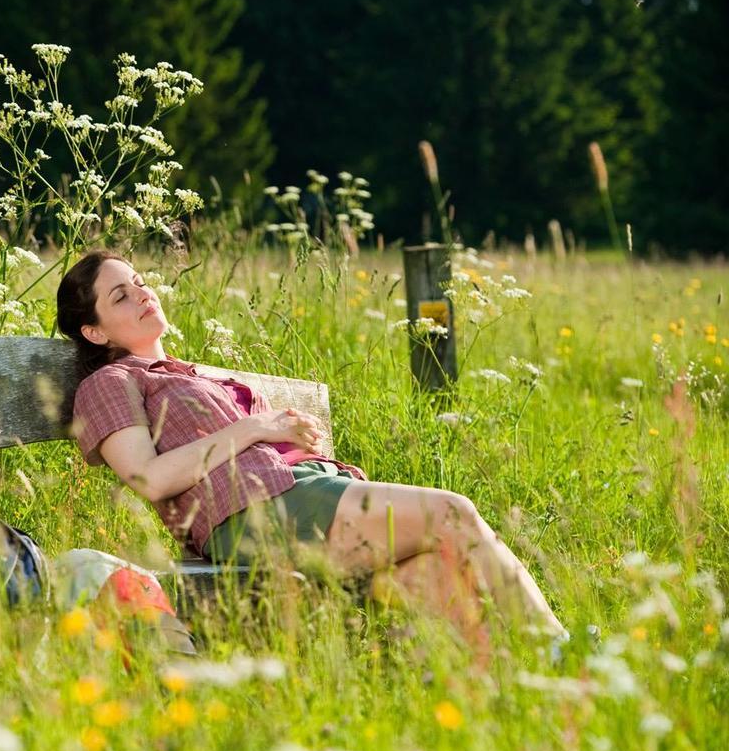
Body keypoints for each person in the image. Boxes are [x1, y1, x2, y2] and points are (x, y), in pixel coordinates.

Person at [56, 249, 566, 639]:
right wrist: (256, 429)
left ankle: (503, 693)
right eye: (120, 296)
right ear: (94, 332)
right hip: (256, 513)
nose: (143, 294)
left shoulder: (186, 372)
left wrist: (292, 439)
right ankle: (556, 648)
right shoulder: (111, 382)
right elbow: (150, 478)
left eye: (141, 283)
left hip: (302, 490)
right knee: (452, 513)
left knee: (433, 574)